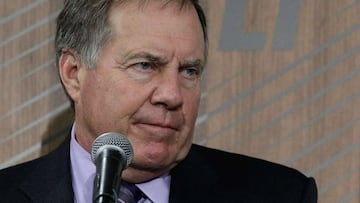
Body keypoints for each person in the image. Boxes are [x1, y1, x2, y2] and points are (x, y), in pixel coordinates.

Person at [0, 0, 317, 202]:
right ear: (74, 74)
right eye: (145, 65)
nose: (172, 95)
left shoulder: (279, 195)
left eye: (189, 71)